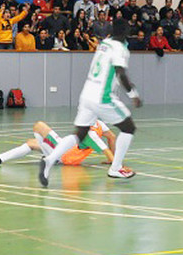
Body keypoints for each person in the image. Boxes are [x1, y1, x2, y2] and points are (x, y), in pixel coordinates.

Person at [38, 19, 140, 187]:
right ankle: (116, 168)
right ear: (126, 32)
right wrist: (133, 94)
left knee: (80, 134)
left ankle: (50, 160)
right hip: (102, 97)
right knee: (129, 127)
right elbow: (120, 73)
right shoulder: (120, 48)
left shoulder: (104, 43)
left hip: (87, 94)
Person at [0, 120, 114, 167]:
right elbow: (112, 137)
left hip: (65, 153)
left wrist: (114, 163)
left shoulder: (90, 131)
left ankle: (52, 158)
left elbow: (105, 148)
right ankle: (0, 159)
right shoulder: (99, 124)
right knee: (31, 143)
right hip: (69, 154)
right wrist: (111, 159)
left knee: (40, 126)